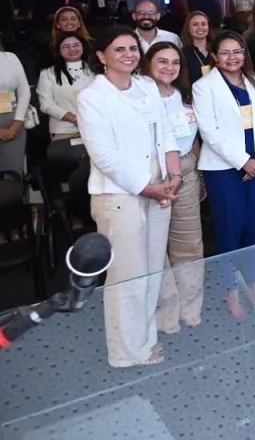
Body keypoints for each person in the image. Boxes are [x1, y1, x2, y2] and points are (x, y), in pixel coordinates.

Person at [78, 28, 180, 367]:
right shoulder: (92, 97)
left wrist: (173, 176)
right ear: (102, 56)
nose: (128, 54)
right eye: (119, 49)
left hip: (159, 190)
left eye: (133, 48)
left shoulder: (147, 87)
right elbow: (105, 156)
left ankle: (145, 338)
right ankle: (126, 352)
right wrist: (147, 187)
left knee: (151, 272)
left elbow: (165, 134)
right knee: (127, 275)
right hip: (120, 197)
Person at [193, 30, 255, 317]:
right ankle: (230, 289)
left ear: (244, 54)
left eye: (237, 51)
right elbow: (210, 133)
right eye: (225, 52)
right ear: (215, 56)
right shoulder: (204, 87)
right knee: (229, 228)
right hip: (225, 170)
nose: (232, 57)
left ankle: (254, 284)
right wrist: (244, 161)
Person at [144, 42, 205, 333]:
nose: (169, 67)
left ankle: (190, 308)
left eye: (175, 62)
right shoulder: (140, 97)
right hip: (153, 177)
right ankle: (166, 315)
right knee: (156, 249)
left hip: (186, 172)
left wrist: (190, 168)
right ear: (148, 63)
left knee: (189, 245)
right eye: (162, 61)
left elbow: (194, 137)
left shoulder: (186, 96)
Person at [37, 31, 95, 228]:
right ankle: (76, 216)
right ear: (59, 51)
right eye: (66, 46)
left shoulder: (94, 71)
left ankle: (91, 214)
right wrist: (72, 117)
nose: (72, 49)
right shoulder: (48, 74)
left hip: (93, 133)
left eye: (76, 44)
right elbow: (46, 104)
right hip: (64, 133)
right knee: (76, 172)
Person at [0, 40, 29, 178]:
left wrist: (18, 122)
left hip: (14, 123)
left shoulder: (10, 57)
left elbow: (24, 91)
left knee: (13, 176)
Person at [181, 11, 214, 81]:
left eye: (203, 24)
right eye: (195, 24)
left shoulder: (218, 49)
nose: (200, 27)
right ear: (188, 29)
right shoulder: (182, 54)